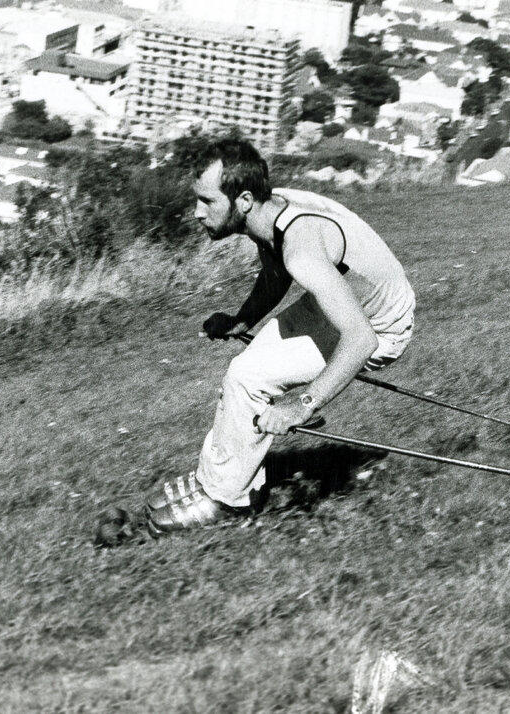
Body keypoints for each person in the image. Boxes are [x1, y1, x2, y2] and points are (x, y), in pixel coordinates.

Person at [146, 137, 415, 536]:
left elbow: (361, 340)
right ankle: (221, 479)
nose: (196, 213)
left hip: (379, 324)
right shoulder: (272, 211)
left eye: (207, 201)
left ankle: (224, 500)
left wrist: (302, 405)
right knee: (245, 370)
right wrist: (242, 319)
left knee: (249, 378)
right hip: (342, 302)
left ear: (243, 200)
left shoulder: (301, 249)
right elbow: (275, 273)